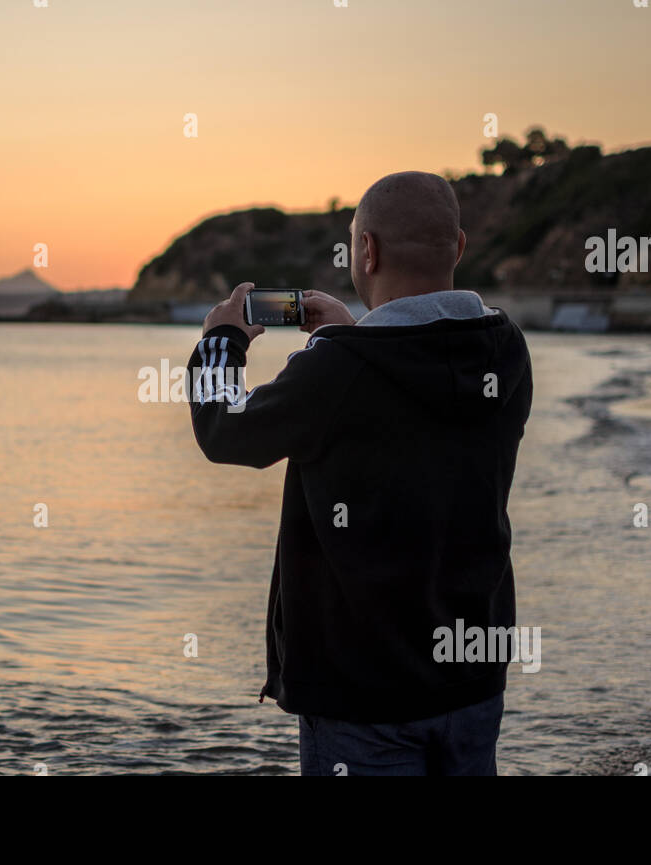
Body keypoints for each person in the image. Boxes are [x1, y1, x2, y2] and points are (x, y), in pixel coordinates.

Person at [186, 171, 533, 776]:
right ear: (457, 247)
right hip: (474, 682)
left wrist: (222, 342)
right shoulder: (506, 349)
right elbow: (413, 392)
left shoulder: (338, 372)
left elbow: (225, 429)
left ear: (366, 251)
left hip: (363, 696)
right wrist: (351, 337)